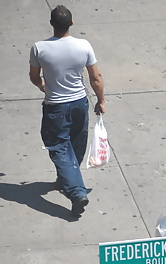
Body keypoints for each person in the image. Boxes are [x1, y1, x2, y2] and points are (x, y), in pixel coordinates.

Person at [28, 5, 106, 218]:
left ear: (51, 24)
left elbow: (34, 76)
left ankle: (76, 192)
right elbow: (96, 78)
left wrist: (42, 85)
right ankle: (66, 179)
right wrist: (101, 100)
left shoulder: (39, 48)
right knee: (76, 143)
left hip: (56, 106)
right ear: (72, 23)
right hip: (80, 103)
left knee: (59, 148)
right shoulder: (83, 46)